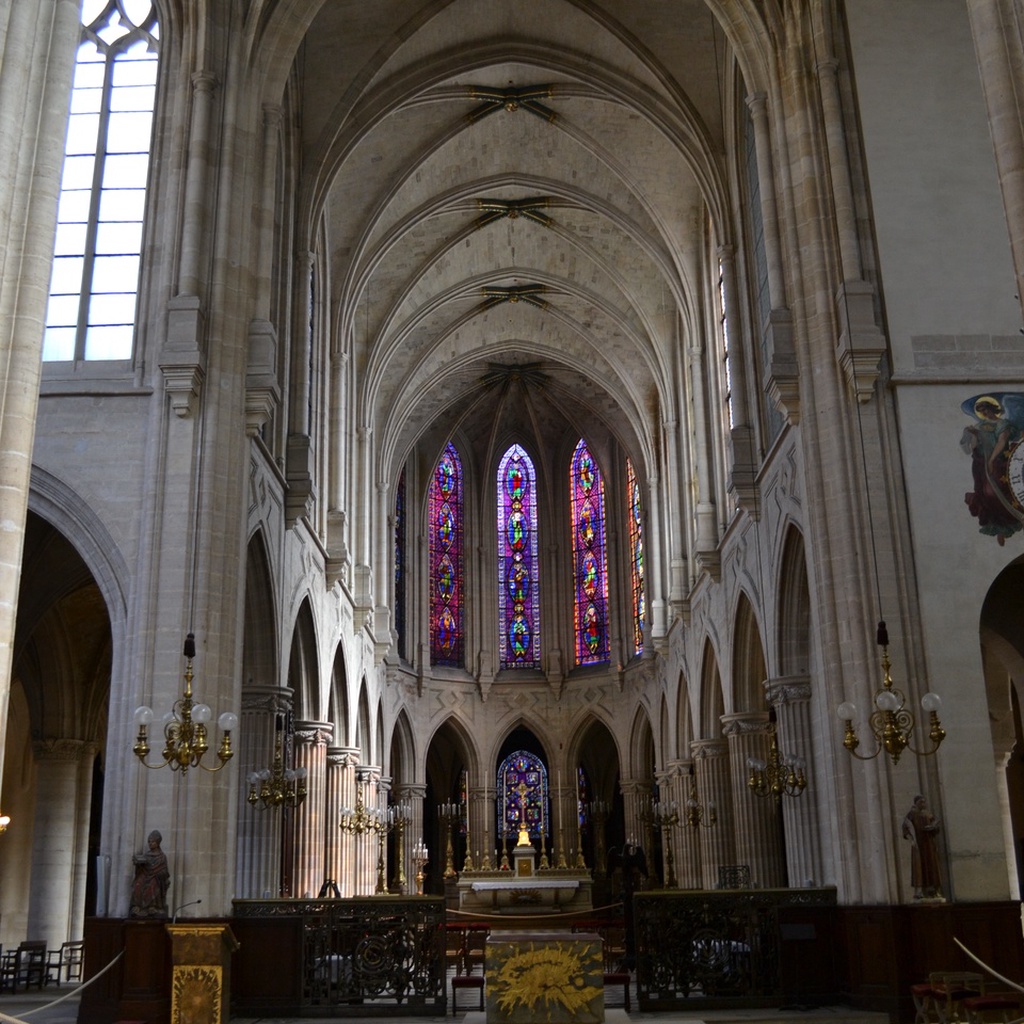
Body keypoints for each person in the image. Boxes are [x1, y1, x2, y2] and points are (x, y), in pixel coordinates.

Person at [902, 795, 942, 900]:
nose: (923, 804)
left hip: (929, 843)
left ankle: (932, 889)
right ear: (916, 803)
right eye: (921, 802)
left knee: (931, 865)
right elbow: (906, 827)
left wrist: (933, 827)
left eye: (924, 802)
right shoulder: (911, 814)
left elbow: (936, 826)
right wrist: (911, 838)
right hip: (918, 844)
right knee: (918, 866)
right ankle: (919, 891)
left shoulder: (928, 814)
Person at [130, 829, 170, 917]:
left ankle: (152, 907)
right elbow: (141, 870)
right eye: (149, 842)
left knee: (153, 885)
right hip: (145, 875)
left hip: (156, 877)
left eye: (152, 842)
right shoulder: (146, 855)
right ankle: (137, 906)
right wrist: (138, 864)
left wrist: (158, 873)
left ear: (157, 843)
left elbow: (165, 872)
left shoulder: (162, 857)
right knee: (138, 884)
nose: (150, 843)